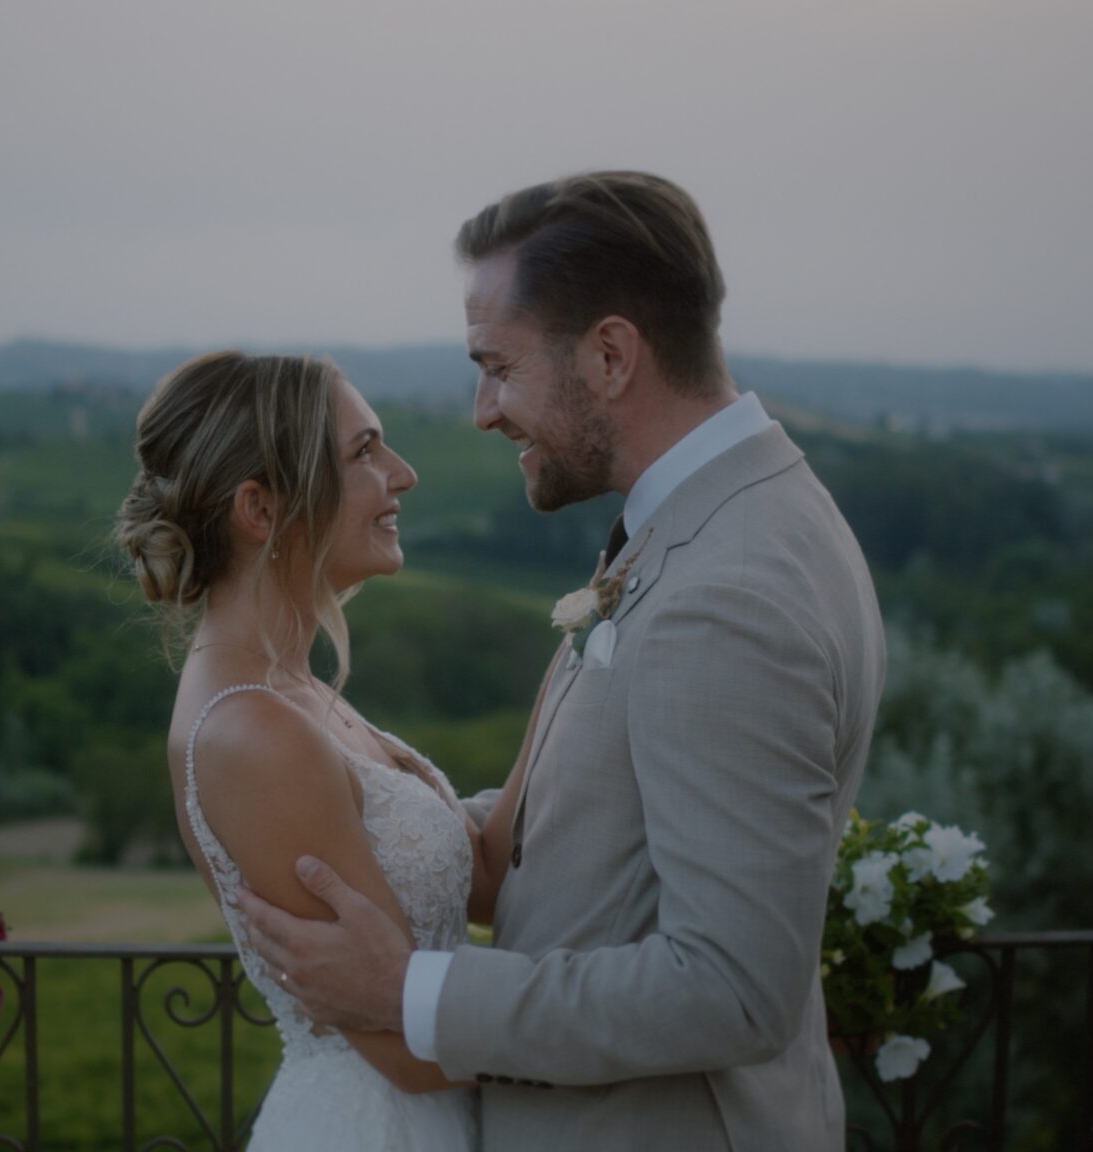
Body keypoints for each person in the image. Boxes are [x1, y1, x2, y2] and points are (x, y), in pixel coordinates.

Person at [236, 171, 887, 1149]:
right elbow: (590, 839)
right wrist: (378, 814)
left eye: (496, 366)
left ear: (611, 355)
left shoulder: (727, 591)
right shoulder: (706, 525)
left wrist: (410, 991)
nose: (480, 410)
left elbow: (730, 990)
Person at [114, 351, 483, 1150]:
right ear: (262, 509)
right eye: (363, 452)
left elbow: (484, 861)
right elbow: (407, 1049)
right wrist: (630, 1033)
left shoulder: (292, 692)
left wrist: (583, 659)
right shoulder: (253, 734)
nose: (403, 473)